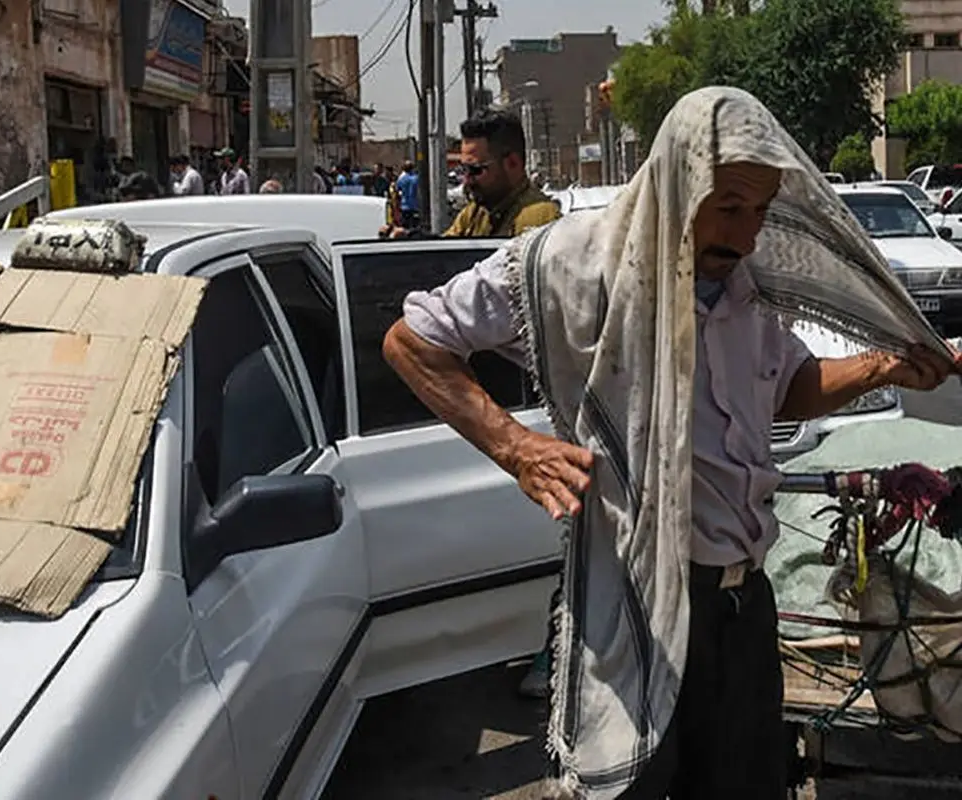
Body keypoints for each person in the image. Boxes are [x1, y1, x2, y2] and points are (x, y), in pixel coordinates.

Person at [381, 86, 962, 799]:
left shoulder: (743, 284)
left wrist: (885, 366)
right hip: (637, 602)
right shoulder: (574, 261)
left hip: (744, 609)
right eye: (727, 208)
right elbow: (414, 342)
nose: (746, 235)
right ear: (675, 182)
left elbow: (788, 388)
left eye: (758, 212)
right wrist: (516, 448)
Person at [387, 108, 558, 240]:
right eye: (464, 170)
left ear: (512, 163)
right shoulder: (475, 213)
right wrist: (409, 239)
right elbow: (447, 253)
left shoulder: (541, 219)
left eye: (476, 170)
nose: (467, 180)